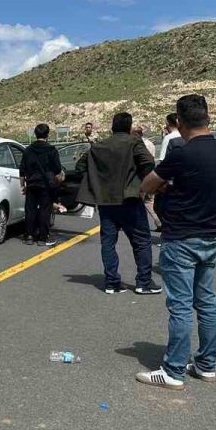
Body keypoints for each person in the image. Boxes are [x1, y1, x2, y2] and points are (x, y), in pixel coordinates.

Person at [135, 94, 216, 390]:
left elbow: (147, 184)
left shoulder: (181, 153)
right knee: (206, 302)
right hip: (209, 235)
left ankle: (173, 371)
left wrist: (165, 187)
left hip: (180, 238)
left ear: (179, 122)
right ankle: (206, 364)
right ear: (208, 117)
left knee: (180, 306)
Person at [75, 112, 160, 295]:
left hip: (106, 202)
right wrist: (140, 182)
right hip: (130, 199)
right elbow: (148, 162)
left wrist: (97, 182)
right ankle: (143, 282)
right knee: (141, 241)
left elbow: (80, 167)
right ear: (129, 127)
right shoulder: (133, 142)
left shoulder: (99, 146)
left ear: (112, 127)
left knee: (108, 243)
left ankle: (112, 283)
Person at [19, 123, 64, 247]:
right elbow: (57, 169)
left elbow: (22, 170)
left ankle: (29, 235)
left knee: (30, 210)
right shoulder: (51, 150)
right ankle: (43, 238)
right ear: (47, 135)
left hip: (31, 183)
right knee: (45, 210)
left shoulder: (28, 150)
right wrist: (58, 182)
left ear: (35, 134)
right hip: (46, 185)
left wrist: (22, 185)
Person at [133, 123, 161, 230]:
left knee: (138, 201)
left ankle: (139, 224)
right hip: (151, 174)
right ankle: (158, 221)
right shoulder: (150, 144)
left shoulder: (136, 145)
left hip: (141, 176)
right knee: (149, 201)